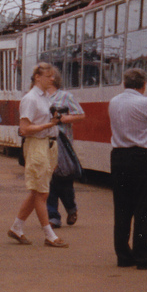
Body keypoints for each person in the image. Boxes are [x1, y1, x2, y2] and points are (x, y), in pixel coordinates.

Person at [8, 62, 68, 247]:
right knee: (42, 193)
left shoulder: (45, 97)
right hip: (37, 145)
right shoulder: (30, 99)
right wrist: (49, 124)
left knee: (36, 190)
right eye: (49, 76)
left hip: (48, 145)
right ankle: (49, 235)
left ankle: (17, 227)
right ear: (37, 77)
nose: (52, 79)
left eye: (53, 76)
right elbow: (24, 129)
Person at [107, 68, 147, 268]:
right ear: (143, 84)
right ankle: (143, 254)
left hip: (118, 156)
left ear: (125, 83)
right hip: (143, 157)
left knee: (122, 206)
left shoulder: (114, 102)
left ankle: (123, 255)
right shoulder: (146, 103)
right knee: (144, 207)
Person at [46, 69, 85, 227]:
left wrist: (62, 118)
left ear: (53, 78)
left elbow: (80, 115)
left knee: (64, 179)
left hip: (62, 142)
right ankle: (53, 216)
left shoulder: (65, 96)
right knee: (48, 179)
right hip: (45, 141)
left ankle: (71, 207)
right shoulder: (38, 97)